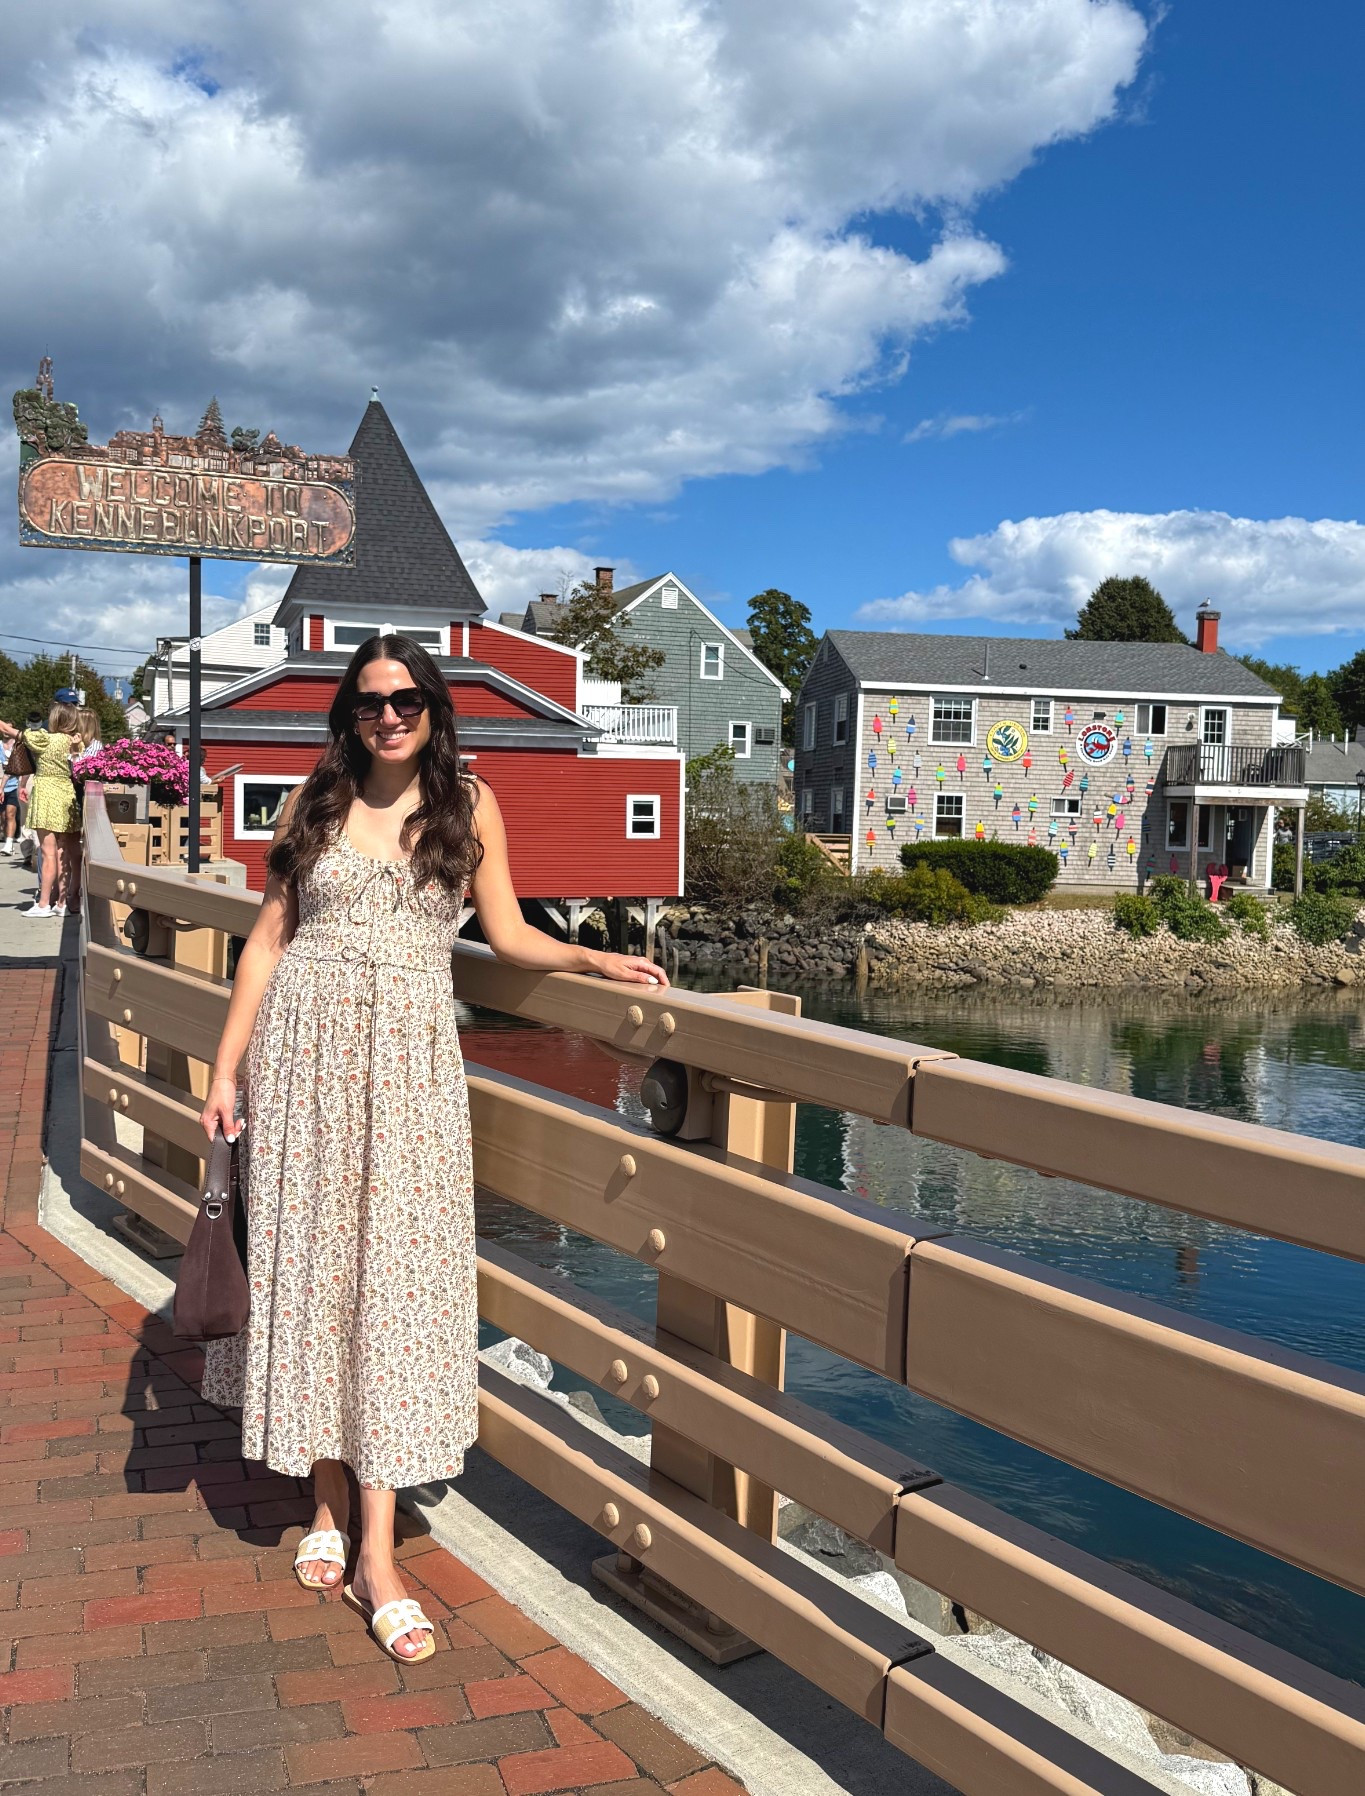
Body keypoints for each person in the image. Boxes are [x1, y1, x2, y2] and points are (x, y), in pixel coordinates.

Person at [198, 635, 666, 1665]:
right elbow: (267, 941)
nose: (389, 716)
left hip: (408, 1070)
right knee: (310, 1273)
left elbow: (507, 934)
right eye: (370, 702)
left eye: (407, 699)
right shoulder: (313, 803)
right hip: (302, 1062)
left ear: (434, 709)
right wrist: (226, 1070)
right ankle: (325, 1503)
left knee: (392, 1286)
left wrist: (591, 957)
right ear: (348, 716)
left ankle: (378, 1550)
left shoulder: (469, 804)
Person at [0, 703, 81, 916]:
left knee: (47, 851)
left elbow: (8, 730)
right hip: (66, 794)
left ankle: (43, 904)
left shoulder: (44, 738)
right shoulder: (72, 741)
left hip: (46, 794)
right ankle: (62, 903)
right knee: (62, 852)